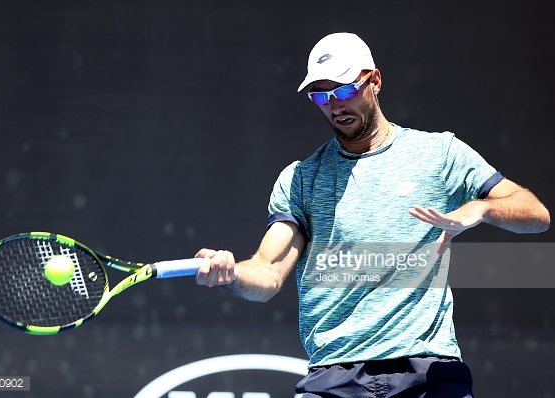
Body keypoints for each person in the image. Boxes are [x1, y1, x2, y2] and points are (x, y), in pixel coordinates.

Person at [195, 32, 550, 397]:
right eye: (320, 95)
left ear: (374, 81)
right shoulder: (300, 178)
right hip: (333, 376)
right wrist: (233, 273)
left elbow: (536, 214)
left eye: (345, 90)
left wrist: (482, 207)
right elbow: (268, 272)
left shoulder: (440, 153)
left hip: (428, 367)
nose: (334, 105)